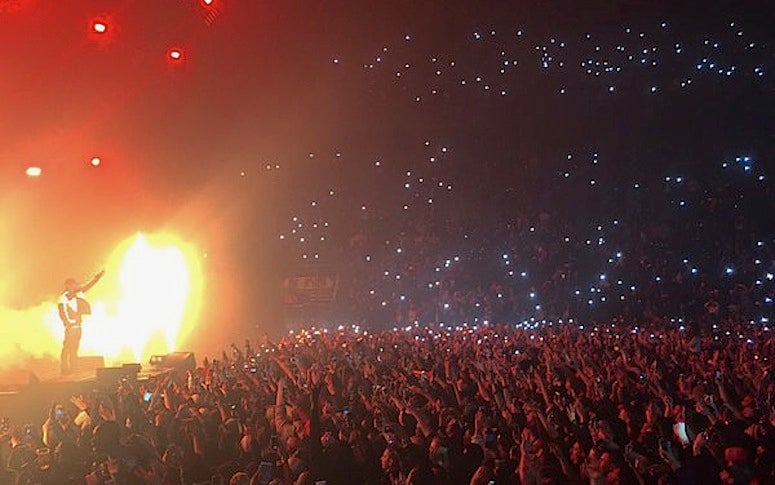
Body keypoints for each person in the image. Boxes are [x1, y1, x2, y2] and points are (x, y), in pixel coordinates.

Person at [58, 270, 104, 374]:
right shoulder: (63, 298)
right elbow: (62, 312)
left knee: (74, 348)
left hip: (77, 326)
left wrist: (96, 278)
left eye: (74, 285)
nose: (74, 287)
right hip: (71, 327)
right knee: (67, 348)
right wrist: (68, 323)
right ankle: (64, 368)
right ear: (67, 286)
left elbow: (88, 286)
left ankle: (73, 368)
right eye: (71, 285)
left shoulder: (77, 294)